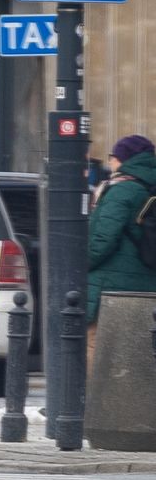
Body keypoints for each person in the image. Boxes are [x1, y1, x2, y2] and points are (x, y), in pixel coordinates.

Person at [86, 133, 156, 366]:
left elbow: (102, 239)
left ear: (124, 159)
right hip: (144, 285)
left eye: (113, 156)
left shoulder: (122, 190)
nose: (110, 162)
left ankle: (96, 403)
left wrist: (80, 266)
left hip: (110, 287)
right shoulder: (148, 186)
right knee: (134, 356)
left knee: (95, 347)